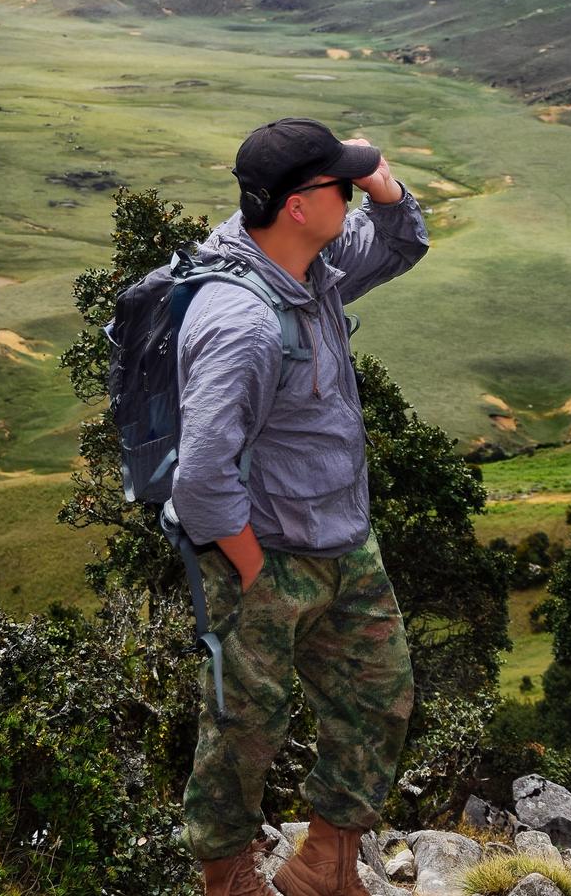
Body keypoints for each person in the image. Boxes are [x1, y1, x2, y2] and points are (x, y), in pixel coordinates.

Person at [172, 117, 429, 896]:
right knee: (246, 728)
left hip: (342, 538)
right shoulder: (241, 321)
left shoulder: (312, 263)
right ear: (295, 206)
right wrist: (253, 572)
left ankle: (326, 862)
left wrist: (378, 177)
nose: (353, 199)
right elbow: (201, 480)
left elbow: (400, 241)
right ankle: (226, 877)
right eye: (339, 187)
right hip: (265, 552)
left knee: (381, 695)